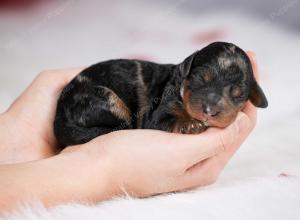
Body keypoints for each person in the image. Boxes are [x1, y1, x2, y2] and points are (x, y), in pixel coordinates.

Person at [0, 52, 258, 212]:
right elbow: (158, 122)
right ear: (186, 71)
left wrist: (15, 135)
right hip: (90, 103)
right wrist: (103, 170)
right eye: (202, 81)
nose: (212, 105)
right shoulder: (170, 94)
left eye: (235, 96)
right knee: (112, 104)